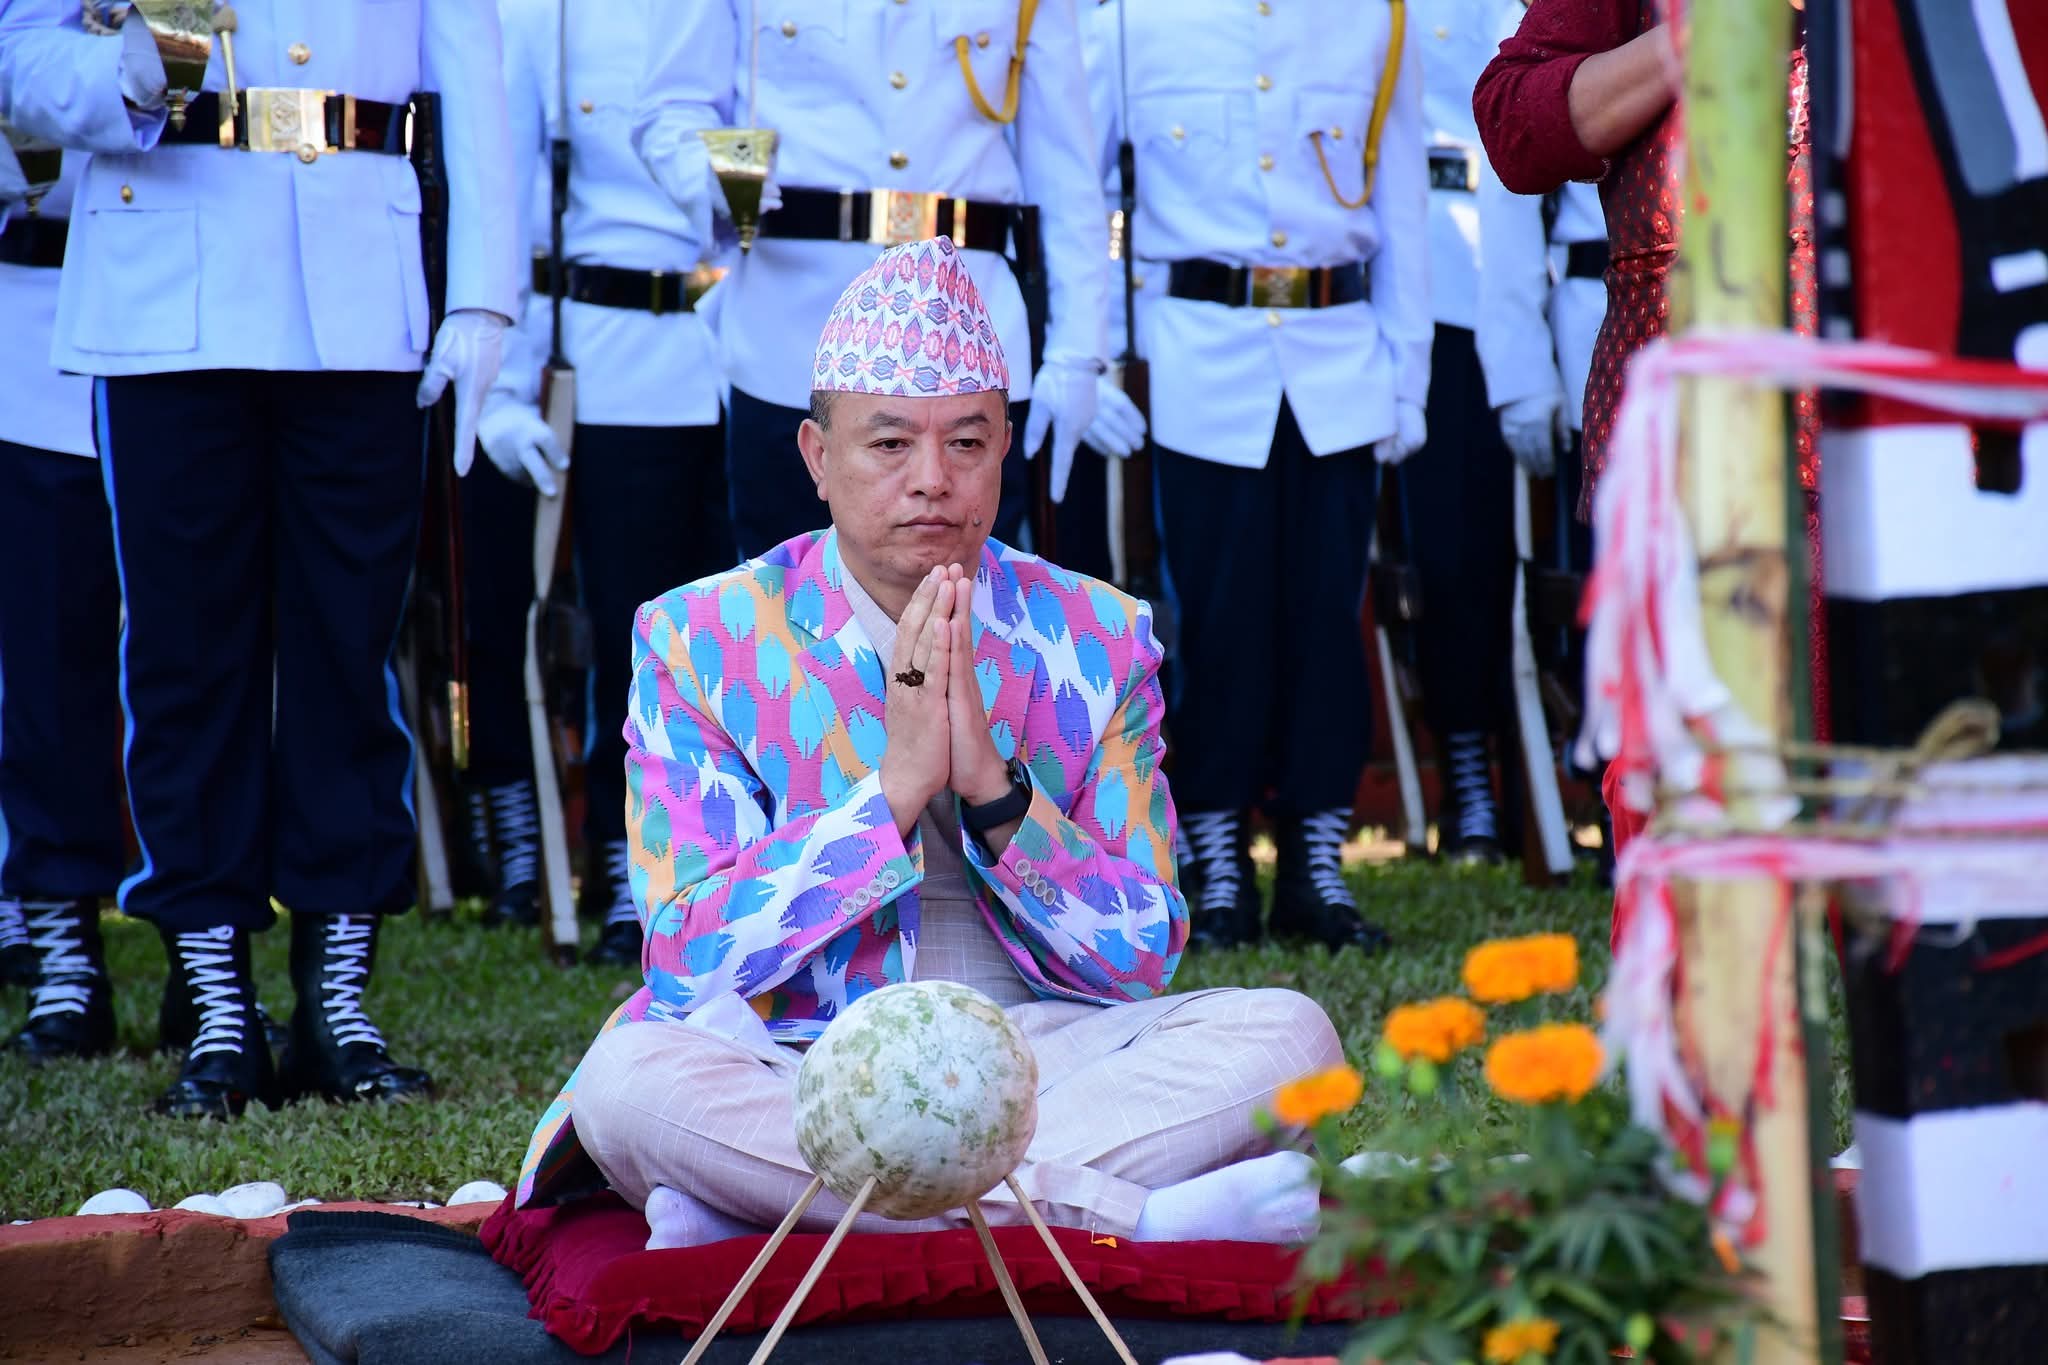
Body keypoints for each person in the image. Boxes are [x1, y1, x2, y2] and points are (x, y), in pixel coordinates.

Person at [514, 237, 1342, 1252]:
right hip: (799, 1057)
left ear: (1005, 449)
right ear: (818, 458)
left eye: (966, 442)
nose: (932, 481)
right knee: (631, 1080)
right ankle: (1133, 1215)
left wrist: (995, 792)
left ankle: (774, 1209)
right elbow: (691, 958)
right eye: (890, 443)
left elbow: (1140, 959)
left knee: (1291, 1036)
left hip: (1041, 1056)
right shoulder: (701, 638)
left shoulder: (1097, 637)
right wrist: (894, 792)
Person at [0, 0, 520, 1116]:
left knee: (350, 657)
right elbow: (20, 51)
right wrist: (124, 71)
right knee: (186, 663)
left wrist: (485, 291)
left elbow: (474, 69)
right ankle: (216, 1002)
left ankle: (336, 1002)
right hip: (163, 275)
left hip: (361, 275)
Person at [1080, 0, 1429, 951]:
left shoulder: (1375, 20)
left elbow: (1402, 207)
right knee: (1217, 623)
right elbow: (1088, 197)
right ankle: (1218, 854)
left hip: (1338, 352)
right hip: (1201, 355)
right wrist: (1100, 358)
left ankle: (1317, 862)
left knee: (1327, 623)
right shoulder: (1135, 22)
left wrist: (1409, 373)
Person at [633, 0, 1109, 560]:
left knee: (966, 595)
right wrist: (709, 175)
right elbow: (671, 107)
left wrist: (1078, 352)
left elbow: (1066, 173)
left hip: (963, 340)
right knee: (791, 596)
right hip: (792, 335)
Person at [476, 0, 737, 964]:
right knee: (640, 645)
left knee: (759, 642)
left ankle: (743, 862)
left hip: (756, 350)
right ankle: (638, 870)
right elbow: (512, 210)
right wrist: (507, 386)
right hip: (620, 359)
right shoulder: (549, 17)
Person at [0, 135, 123, 1048]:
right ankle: (62, 945)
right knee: (45, 663)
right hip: (27, 323)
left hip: (192, 307)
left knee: (203, 666)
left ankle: (207, 955)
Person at [1396, 0, 1523, 866]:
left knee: (1511, 557)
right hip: (1423, 276)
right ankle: (1465, 765)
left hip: (1527, 275)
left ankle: (1531, 759)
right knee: (1444, 556)